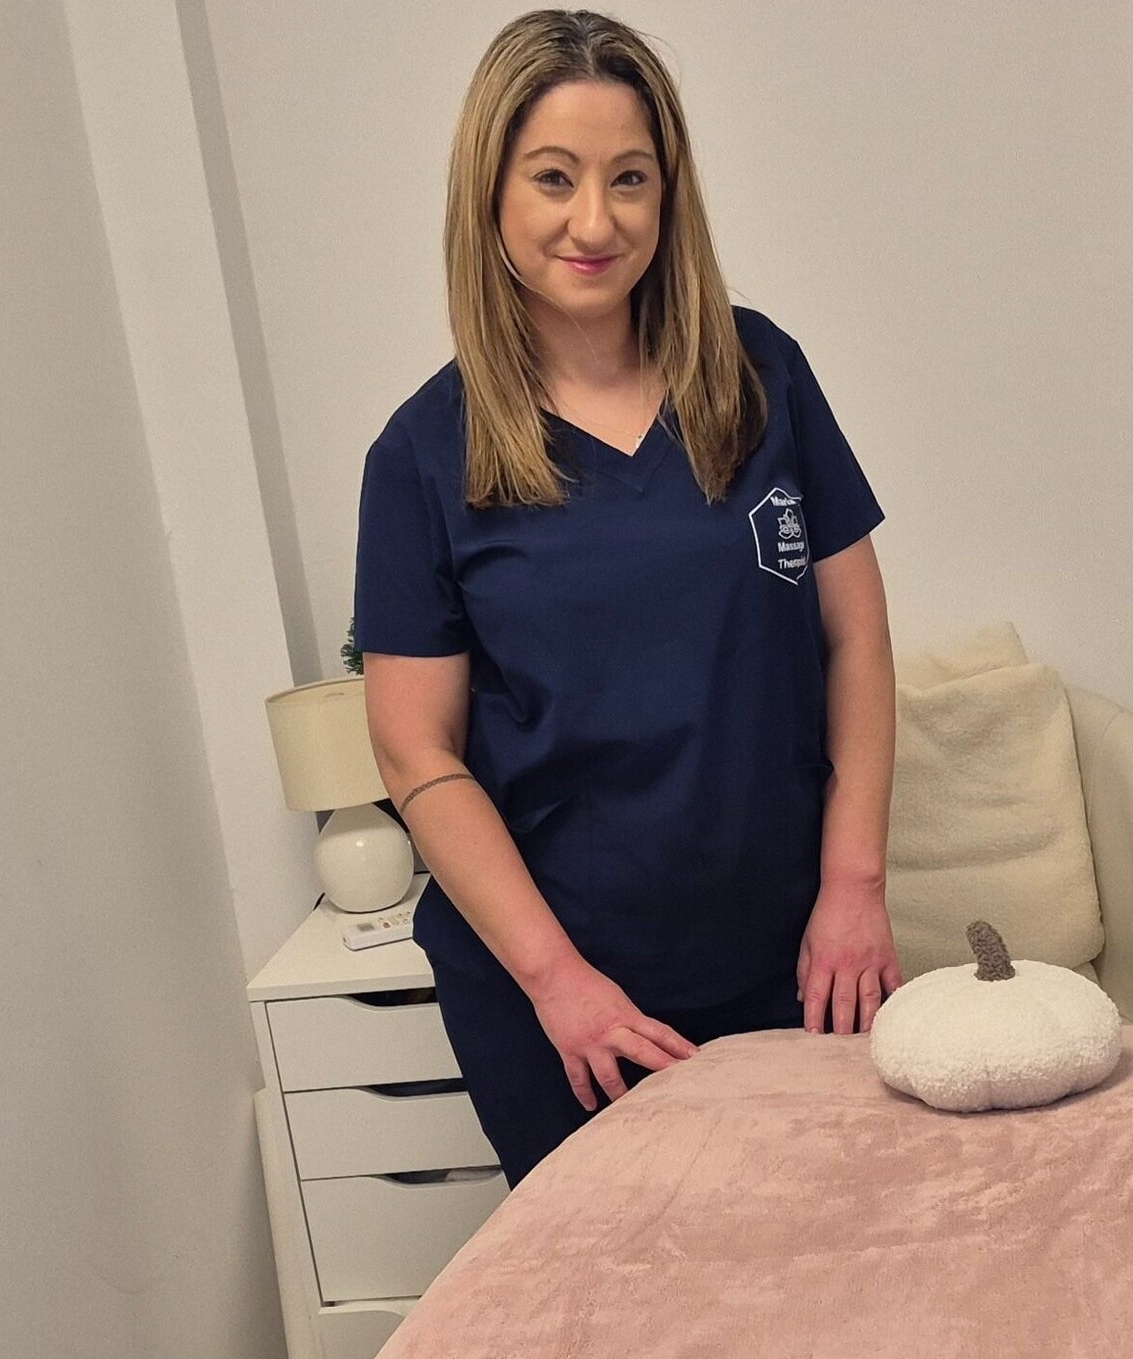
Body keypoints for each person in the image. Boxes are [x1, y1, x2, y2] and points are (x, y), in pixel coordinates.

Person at [356, 9, 897, 1186]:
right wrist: (558, 982)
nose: (595, 222)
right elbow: (414, 752)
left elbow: (855, 639)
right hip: (560, 998)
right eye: (554, 177)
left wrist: (854, 885)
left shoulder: (762, 375)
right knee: (621, 1289)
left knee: (827, 1256)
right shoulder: (421, 455)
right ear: (491, 191)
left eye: (630, 178)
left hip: (789, 960)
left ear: (670, 192)